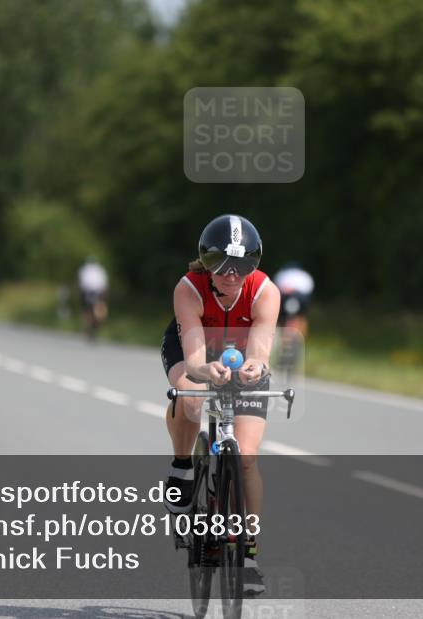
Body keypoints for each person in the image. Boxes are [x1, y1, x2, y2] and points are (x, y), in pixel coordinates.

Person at [160, 214, 280, 596]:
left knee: (245, 458)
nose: (232, 274)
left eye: (243, 265)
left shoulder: (265, 292)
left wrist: (255, 366)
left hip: (241, 358)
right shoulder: (189, 289)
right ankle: (182, 468)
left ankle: (247, 551)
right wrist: (202, 370)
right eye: (222, 266)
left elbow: (261, 350)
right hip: (194, 350)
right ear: (206, 263)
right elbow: (194, 356)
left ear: (254, 264)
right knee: (190, 398)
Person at [77, 255, 108, 340]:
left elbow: (81, 283)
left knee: (87, 311)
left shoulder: (84, 269)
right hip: (98, 293)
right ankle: (92, 328)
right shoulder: (100, 269)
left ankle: (89, 328)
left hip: (87, 292)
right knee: (98, 311)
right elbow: (104, 283)